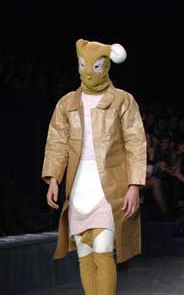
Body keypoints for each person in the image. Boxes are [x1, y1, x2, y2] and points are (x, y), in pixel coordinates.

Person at [42, 39, 146, 295]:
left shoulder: (123, 100)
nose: (88, 72)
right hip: (78, 187)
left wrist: (134, 184)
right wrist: (53, 178)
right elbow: (57, 141)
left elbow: (136, 141)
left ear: (106, 65)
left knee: (103, 249)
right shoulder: (66, 103)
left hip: (111, 184)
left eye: (96, 66)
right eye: (83, 65)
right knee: (85, 253)